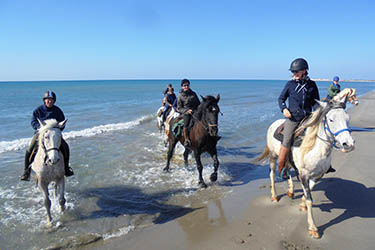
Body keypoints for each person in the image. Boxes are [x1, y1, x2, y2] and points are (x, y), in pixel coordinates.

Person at [277, 58, 320, 179]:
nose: (294, 74)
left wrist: (318, 113)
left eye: (296, 71)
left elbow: (315, 102)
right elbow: (281, 99)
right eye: (293, 72)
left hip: (308, 118)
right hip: (293, 119)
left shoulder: (312, 85)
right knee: (287, 140)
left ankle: (325, 164)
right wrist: (284, 109)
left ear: (304, 71)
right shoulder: (290, 84)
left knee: (321, 136)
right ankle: (281, 167)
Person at [20, 91, 74, 181]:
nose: (49, 101)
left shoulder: (57, 110)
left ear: (54, 101)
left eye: (51, 100)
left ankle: (66, 168)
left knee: (65, 146)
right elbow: (33, 121)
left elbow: (62, 123)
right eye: (47, 100)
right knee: (30, 148)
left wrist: (57, 131)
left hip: (54, 135)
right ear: (44, 100)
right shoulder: (38, 110)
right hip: (41, 134)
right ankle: (26, 171)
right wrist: (40, 128)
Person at [177, 79, 200, 148]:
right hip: (186, 113)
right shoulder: (180, 96)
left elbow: (198, 103)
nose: (186, 86)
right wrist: (186, 111)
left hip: (195, 111)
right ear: (182, 86)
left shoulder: (193, 93)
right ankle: (187, 139)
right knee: (186, 124)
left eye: (187, 85)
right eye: (184, 85)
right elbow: (179, 108)